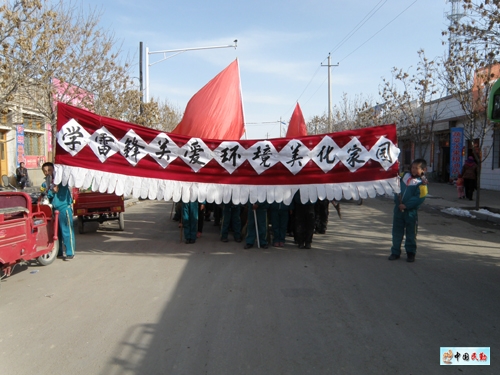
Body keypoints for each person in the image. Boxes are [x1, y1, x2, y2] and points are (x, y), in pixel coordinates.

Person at [389, 158, 428, 263]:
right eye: (412, 167)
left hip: (410, 212)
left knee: (411, 233)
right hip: (398, 210)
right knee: (397, 232)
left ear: (424, 169)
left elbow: (420, 198)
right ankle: (395, 252)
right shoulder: (403, 176)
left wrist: (406, 205)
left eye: (417, 168)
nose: (413, 170)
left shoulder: (422, 183)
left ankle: (411, 253)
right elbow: (394, 180)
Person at [41, 162, 75, 260]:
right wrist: (49, 191)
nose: (47, 173)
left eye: (49, 170)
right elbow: (45, 195)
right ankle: (58, 252)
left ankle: (70, 252)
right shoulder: (45, 183)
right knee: (56, 232)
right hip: (53, 210)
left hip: (64, 208)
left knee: (67, 231)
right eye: (45, 171)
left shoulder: (61, 180)